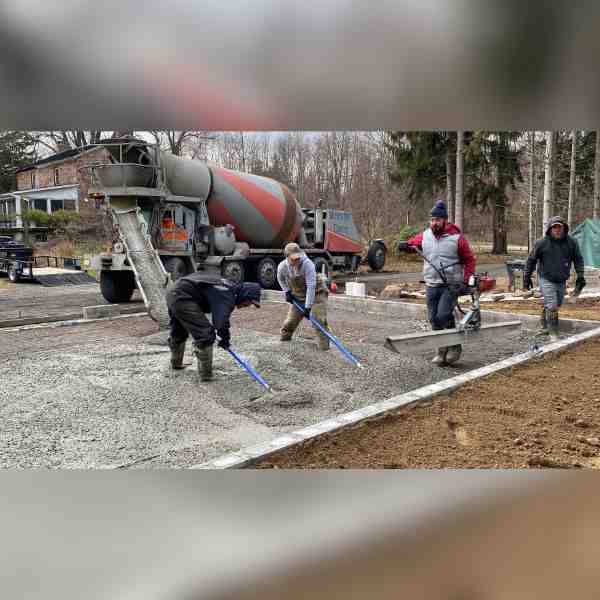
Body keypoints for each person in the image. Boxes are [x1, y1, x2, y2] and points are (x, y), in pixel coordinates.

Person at [397, 200, 476, 365]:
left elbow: (469, 259)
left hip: (451, 283)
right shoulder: (425, 235)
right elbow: (413, 243)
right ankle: (441, 350)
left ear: (444, 220)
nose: (434, 223)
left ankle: (454, 346)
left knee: (444, 315)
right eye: (432, 220)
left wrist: (467, 280)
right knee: (433, 318)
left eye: (437, 220)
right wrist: (404, 245)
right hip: (432, 283)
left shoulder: (457, 238)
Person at [166, 272, 262, 381]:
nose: (247, 306)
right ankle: (206, 375)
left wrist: (223, 337)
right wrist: (225, 340)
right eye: (249, 303)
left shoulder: (227, 286)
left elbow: (220, 319)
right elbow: (221, 323)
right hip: (183, 296)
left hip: (174, 291)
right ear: (245, 294)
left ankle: (176, 363)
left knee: (179, 329)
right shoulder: (227, 294)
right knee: (205, 334)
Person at [524, 216, 585, 341]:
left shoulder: (571, 242)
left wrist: (580, 275)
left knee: (557, 304)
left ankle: (545, 326)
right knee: (552, 305)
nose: (557, 230)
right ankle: (554, 333)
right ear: (550, 229)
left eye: (559, 227)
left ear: (564, 228)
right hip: (545, 278)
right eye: (554, 227)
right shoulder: (541, 243)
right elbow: (531, 260)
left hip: (561, 279)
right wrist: (527, 277)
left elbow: (578, 259)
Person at [277, 242, 330, 351]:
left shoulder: (307, 264)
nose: (296, 260)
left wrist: (308, 307)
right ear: (287, 257)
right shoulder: (282, 267)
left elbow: (311, 286)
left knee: (318, 319)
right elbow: (280, 278)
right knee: (290, 322)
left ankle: (324, 347)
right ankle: (284, 339)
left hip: (316, 294)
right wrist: (287, 291)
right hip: (299, 296)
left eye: (298, 258)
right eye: (293, 259)